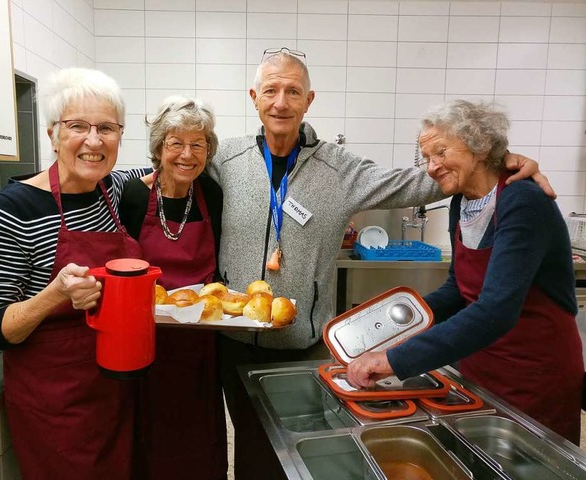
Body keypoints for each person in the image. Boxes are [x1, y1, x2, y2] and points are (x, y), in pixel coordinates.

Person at [206, 48, 554, 478]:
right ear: (254, 96)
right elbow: (169, 168)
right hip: (230, 343)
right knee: (250, 451)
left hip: (304, 345)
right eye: (271, 90)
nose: (281, 102)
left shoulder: (339, 168)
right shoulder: (224, 158)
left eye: (293, 91)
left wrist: (499, 160)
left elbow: (423, 178)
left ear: (309, 100)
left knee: (298, 453)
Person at [347, 100, 583, 445]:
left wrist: (395, 359)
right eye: (427, 157)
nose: (431, 167)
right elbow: (459, 289)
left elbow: (496, 310)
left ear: (481, 146)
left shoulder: (523, 201)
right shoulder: (463, 201)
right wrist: (392, 324)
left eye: (440, 152)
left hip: (532, 371)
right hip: (480, 364)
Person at [0, 68, 147, 479]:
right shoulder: (7, 214)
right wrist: (54, 295)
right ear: (52, 134)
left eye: (107, 128)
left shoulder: (113, 189)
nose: (94, 140)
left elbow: (162, 169)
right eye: (77, 126)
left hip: (117, 390)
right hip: (57, 406)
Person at [119, 96, 227, 480]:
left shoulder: (211, 195)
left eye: (198, 144)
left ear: (208, 150)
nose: (187, 154)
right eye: (175, 143)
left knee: (199, 431)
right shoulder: (133, 196)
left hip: (200, 340)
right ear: (158, 148)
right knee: (151, 432)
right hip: (148, 340)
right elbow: (122, 269)